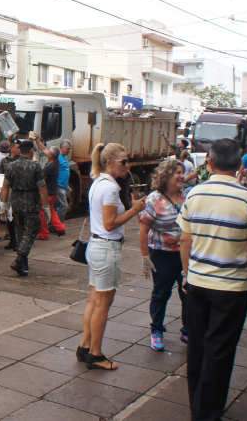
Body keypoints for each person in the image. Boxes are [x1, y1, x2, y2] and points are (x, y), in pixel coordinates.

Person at [178, 138, 247, 421]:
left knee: (197, 346)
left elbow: (185, 239)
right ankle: (207, 413)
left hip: (197, 283)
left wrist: (186, 274)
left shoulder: (193, 195)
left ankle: (197, 405)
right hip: (231, 288)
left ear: (210, 161)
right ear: (239, 163)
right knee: (220, 351)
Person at [78, 143, 145, 370]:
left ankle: (85, 346)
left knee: (94, 301)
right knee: (103, 305)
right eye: (123, 161)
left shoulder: (98, 182)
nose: (127, 165)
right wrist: (134, 210)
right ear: (109, 163)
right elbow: (109, 224)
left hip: (96, 247)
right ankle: (95, 355)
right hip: (106, 248)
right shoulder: (111, 188)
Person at [138, 159, 188, 352]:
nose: (182, 176)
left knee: (188, 293)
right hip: (161, 254)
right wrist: (145, 258)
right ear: (166, 175)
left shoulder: (187, 197)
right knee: (161, 293)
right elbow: (143, 231)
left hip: (185, 254)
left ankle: (188, 330)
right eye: (178, 172)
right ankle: (157, 330)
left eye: (183, 172)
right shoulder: (154, 200)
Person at [0, 140, 49, 276]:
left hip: (16, 203)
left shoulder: (11, 165)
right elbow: (42, 188)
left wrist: (4, 205)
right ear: (32, 151)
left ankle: (23, 264)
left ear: (20, 150)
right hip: (31, 203)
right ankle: (19, 259)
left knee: (20, 232)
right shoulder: (35, 166)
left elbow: (5, 186)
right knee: (31, 231)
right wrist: (46, 207)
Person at [38, 146, 66, 240]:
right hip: (54, 192)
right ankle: (60, 228)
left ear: (50, 155)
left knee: (43, 213)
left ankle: (44, 234)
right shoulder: (57, 161)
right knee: (51, 210)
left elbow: (42, 181)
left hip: (47, 194)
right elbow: (45, 150)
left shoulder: (48, 167)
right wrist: (37, 140)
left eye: (49, 152)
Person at [0, 139, 21, 250]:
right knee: (9, 218)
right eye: (18, 147)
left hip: (18, 192)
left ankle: (19, 242)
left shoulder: (22, 161)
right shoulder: (4, 161)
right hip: (8, 192)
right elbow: (1, 177)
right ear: (11, 148)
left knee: (18, 218)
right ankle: (13, 240)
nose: (20, 149)